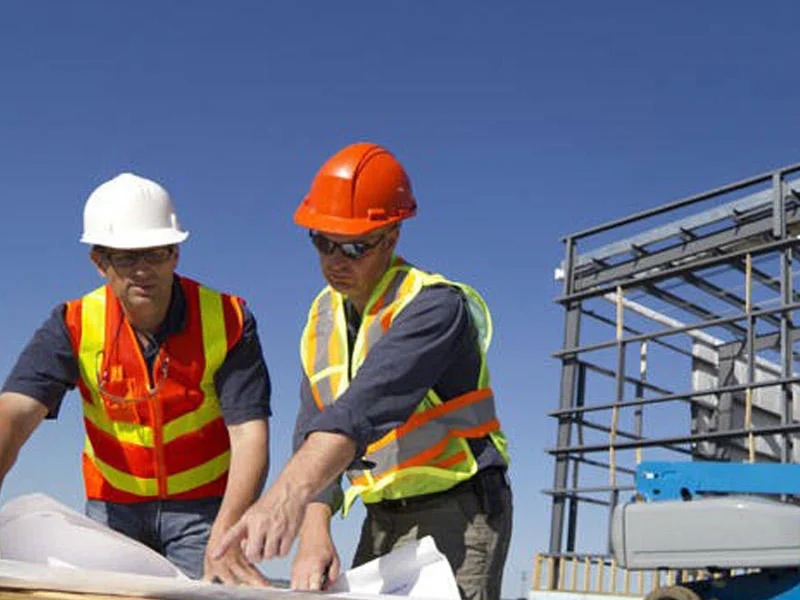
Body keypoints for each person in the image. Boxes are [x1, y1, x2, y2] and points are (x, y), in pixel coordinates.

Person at [215, 143, 512, 600]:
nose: (336, 260)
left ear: (391, 237)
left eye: (354, 246)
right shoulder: (323, 318)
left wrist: (286, 496)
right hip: (381, 514)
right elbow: (314, 424)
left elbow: (362, 408)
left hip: (459, 511)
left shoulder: (434, 306)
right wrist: (315, 527)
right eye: (323, 241)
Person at [0, 173, 271, 585]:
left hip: (205, 511)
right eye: (126, 258)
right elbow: (14, 414)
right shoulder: (71, 324)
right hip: (113, 509)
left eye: (155, 254)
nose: (143, 270)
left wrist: (229, 532)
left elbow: (250, 435)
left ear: (175, 254)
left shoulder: (229, 319)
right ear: (100, 262)